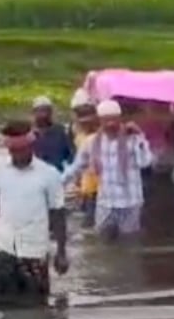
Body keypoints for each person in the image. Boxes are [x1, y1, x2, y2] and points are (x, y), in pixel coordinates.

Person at [0, 120, 69, 305]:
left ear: (31, 145)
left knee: (37, 303)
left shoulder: (49, 174)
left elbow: (58, 214)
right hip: (3, 244)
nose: (18, 154)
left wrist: (61, 252)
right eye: (13, 150)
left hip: (34, 249)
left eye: (22, 149)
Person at [63, 99, 152, 239]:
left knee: (129, 243)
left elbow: (145, 162)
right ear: (100, 121)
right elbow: (77, 166)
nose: (110, 124)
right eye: (106, 120)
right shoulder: (92, 142)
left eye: (113, 120)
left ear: (120, 119)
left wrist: (140, 137)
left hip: (130, 202)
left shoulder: (133, 140)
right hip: (106, 202)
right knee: (102, 242)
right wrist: (57, 184)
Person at [68, 94, 100, 228]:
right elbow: (76, 160)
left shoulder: (102, 134)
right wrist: (76, 181)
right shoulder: (76, 132)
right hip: (87, 185)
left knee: (90, 224)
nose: (83, 119)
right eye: (79, 113)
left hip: (101, 187)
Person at [30, 96, 73, 173]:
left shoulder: (61, 131)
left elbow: (70, 156)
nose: (44, 115)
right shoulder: (28, 133)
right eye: (40, 111)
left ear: (51, 113)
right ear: (34, 113)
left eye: (46, 111)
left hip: (57, 172)